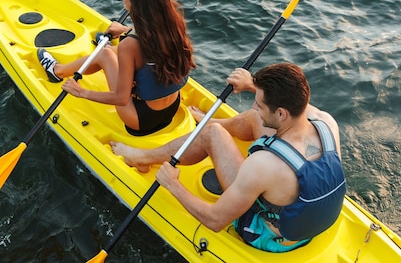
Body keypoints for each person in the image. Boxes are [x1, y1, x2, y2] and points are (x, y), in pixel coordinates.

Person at [110, 63, 346, 252]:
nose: (254, 106)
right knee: (254, 120)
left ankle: (141, 157)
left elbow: (215, 220)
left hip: (269, 235)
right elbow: (288, 106)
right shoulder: (327, 123)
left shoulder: (263, 165)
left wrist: (173, 184)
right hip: (310, 224)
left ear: (281, 113)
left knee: (212, 135)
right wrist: (252, 84)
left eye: (260, 104)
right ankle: (209, 120)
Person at [38, 0, 196, 136]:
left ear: (134, 3)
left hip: (141, 119)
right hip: (172, 108)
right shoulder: (175, 27)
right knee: (118, 51)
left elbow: (121, 98)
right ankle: (103, 48)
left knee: (105, 54)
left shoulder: (130, 45)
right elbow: (150, 45)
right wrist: (127, 30)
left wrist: (81, 92)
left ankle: (57, 71)